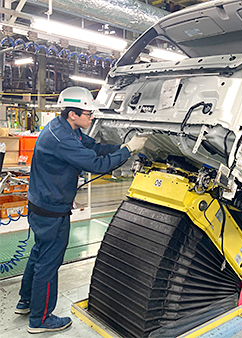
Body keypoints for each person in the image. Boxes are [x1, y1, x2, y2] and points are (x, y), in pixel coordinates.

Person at [15, 86, 147, 334]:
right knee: (49, 263)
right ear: (72, 114)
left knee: (39, 254)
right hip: (51, 210)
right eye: (88, 113)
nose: (92, 117)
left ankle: (25, 302)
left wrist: (124, 145)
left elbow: (95, 148)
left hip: (43, 205)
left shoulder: (65, 128)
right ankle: (40, 319)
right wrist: (128, 151)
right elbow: (96, 164)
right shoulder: (62, 139)